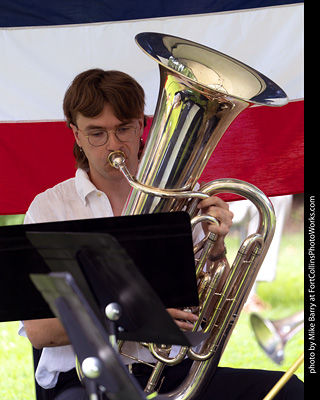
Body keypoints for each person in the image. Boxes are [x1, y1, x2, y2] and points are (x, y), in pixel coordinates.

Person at [19, 69, 303, 400]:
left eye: (123, 129)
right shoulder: (49, 209)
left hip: (168, 369)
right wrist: (131, 315)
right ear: (76, 134)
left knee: (289, 393)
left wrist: (215, 250)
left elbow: (211, 315)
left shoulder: (182, 197)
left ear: (142, 125)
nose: (114, 145)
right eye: (96, 133)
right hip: (81, 379)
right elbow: (40, 332)